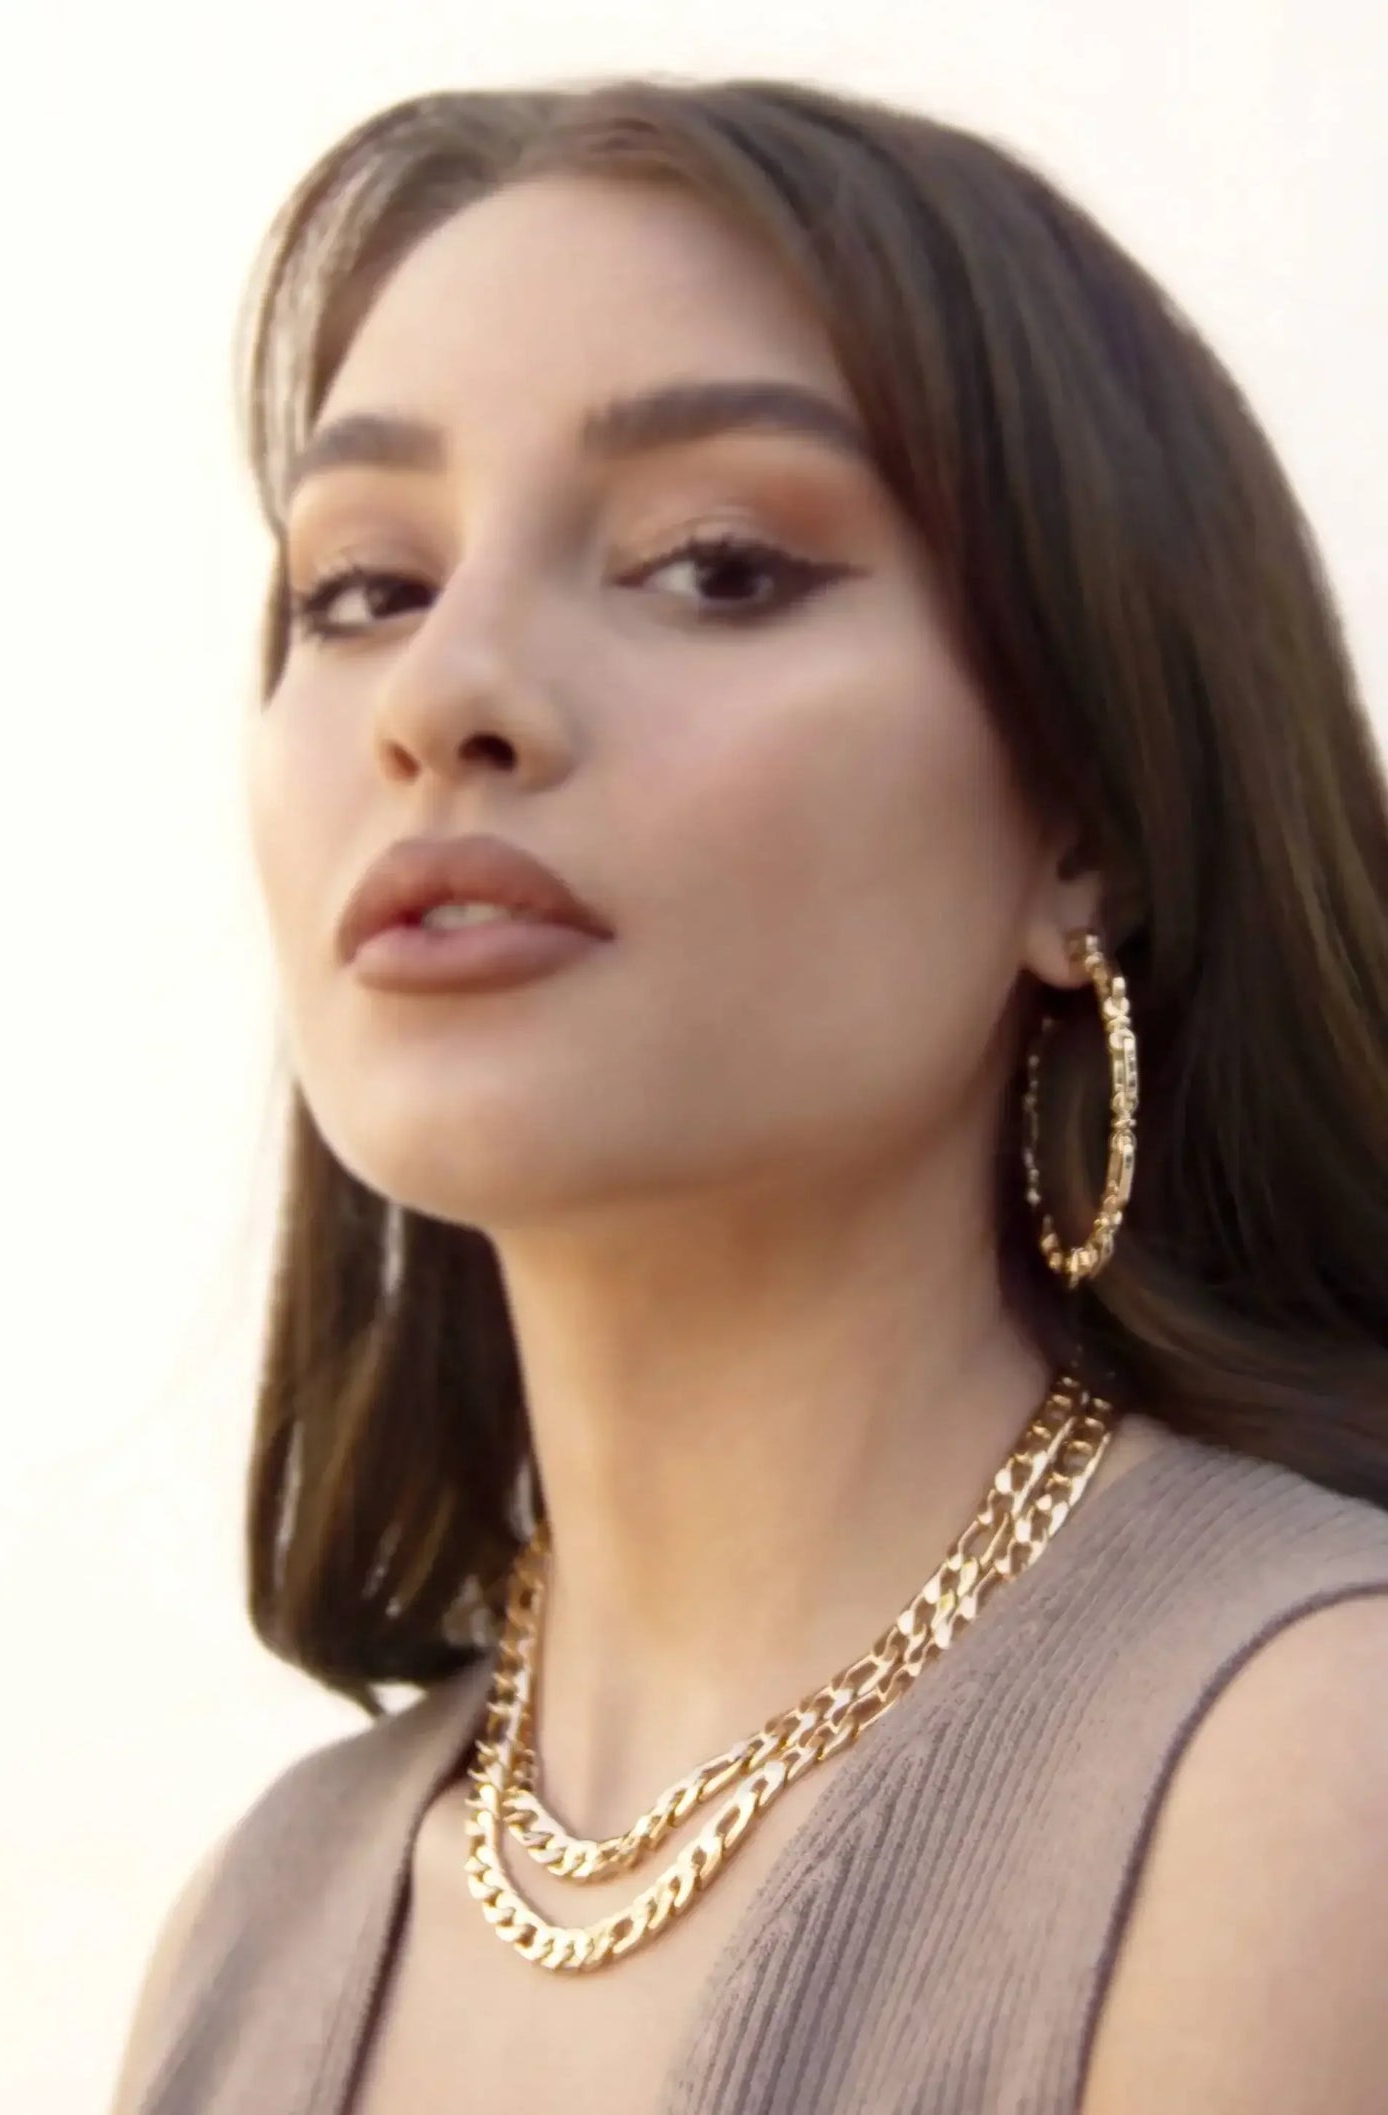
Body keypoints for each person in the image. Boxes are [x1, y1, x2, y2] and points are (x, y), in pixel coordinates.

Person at [110, 75, 1388, 2115]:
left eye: (713, 565)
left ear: (1085, 824)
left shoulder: (1304, 1783)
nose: (443, 694)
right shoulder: (253, 1935)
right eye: (364, 588)